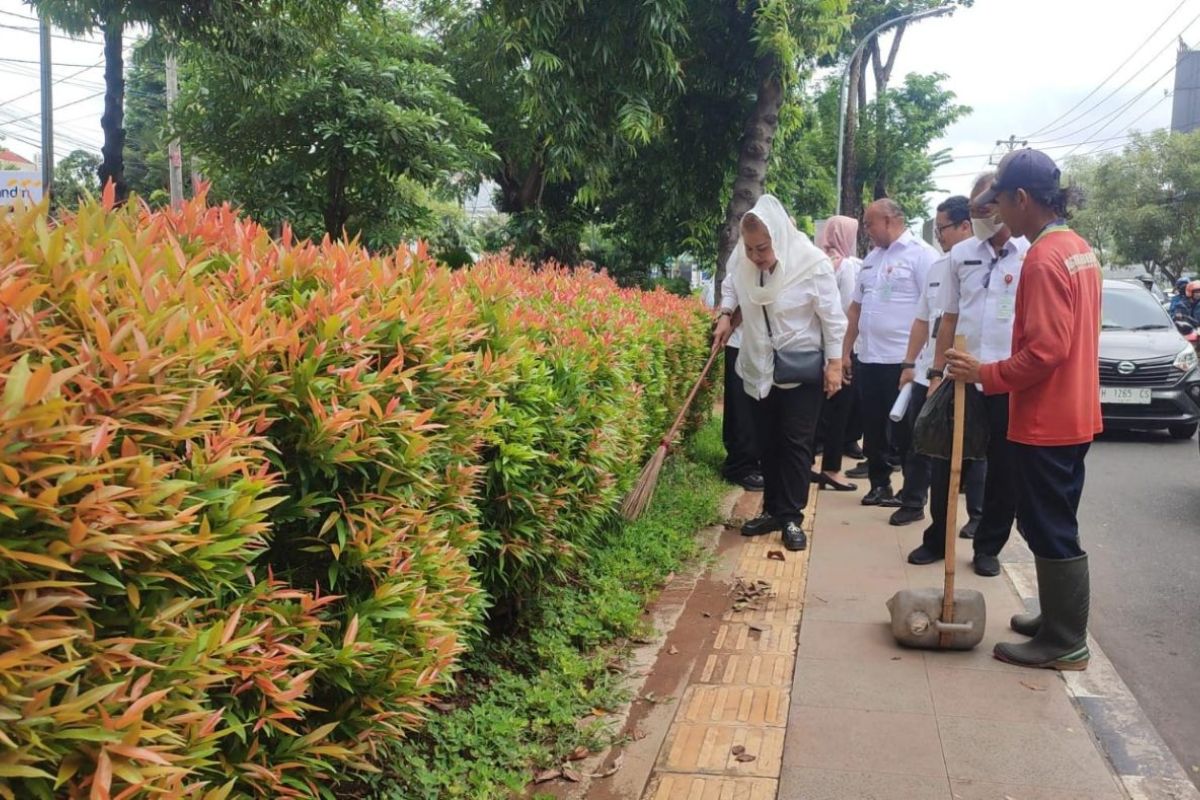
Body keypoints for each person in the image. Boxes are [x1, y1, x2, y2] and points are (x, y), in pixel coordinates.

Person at [945, 148, 1100, 670]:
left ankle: (1064, 640)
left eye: (1001, 204)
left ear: (1023, 199)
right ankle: (1056, 618)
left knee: (1046, 523)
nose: (998, 216)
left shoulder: (1043, 257)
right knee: (1054, 517)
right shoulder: (1078, 248)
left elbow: (1046, 351)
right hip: (1074, 412)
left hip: (1046, 418)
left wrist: (985, 375)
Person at [713, 195, 847, 552]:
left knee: (795, 443)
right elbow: (731, 285)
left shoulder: (811, 264)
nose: (757, 256)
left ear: (780, 236)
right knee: (766, 441)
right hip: (758, 364)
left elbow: (833, 318)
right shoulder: (744, 261)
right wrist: (726, 314)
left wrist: (834, 365)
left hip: (799, 370)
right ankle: (773, 509)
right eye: (751, 249)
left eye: (763, 248)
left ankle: (791, 516)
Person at [841, 199, 937, 507]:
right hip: (868, 358)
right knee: (873, 428)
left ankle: (912, 493)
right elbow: (855, 309)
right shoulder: (871, 259)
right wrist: (845, 353)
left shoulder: (921, 255)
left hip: (903, 361)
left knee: (905, 431)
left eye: (869, 224)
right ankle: (879, 484)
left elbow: (933, 310)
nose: (867, 231)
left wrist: (922, 359)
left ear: (888, 220)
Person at [889, 195, 977, 527]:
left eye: (943, 228)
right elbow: (923, 320)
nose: (938, 235)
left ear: (965, 226)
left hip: (967, 372)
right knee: (917, 440)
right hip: (929, 370)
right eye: (936, 229)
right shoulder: (938, 267)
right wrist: (908, 364)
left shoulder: (986, 266)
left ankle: (977, 521)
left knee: (972, 451)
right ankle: (913, 502)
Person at [813, 215, 862, 492]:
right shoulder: (849, 267)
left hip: (814, 347)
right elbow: (847, 312)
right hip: (841, 348)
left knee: (817, 409)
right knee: (839, 410)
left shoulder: (819, 262)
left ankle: (809, 465)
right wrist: (843, 355)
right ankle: (831, 469)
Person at [711, 280, 765, 492]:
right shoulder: (746, 255)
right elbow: (733, 285)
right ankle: (739, 466)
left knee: (758, 406)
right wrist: (726, 315)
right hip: (742, 343)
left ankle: (755, 462)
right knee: (741, 410)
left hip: (765, 344)